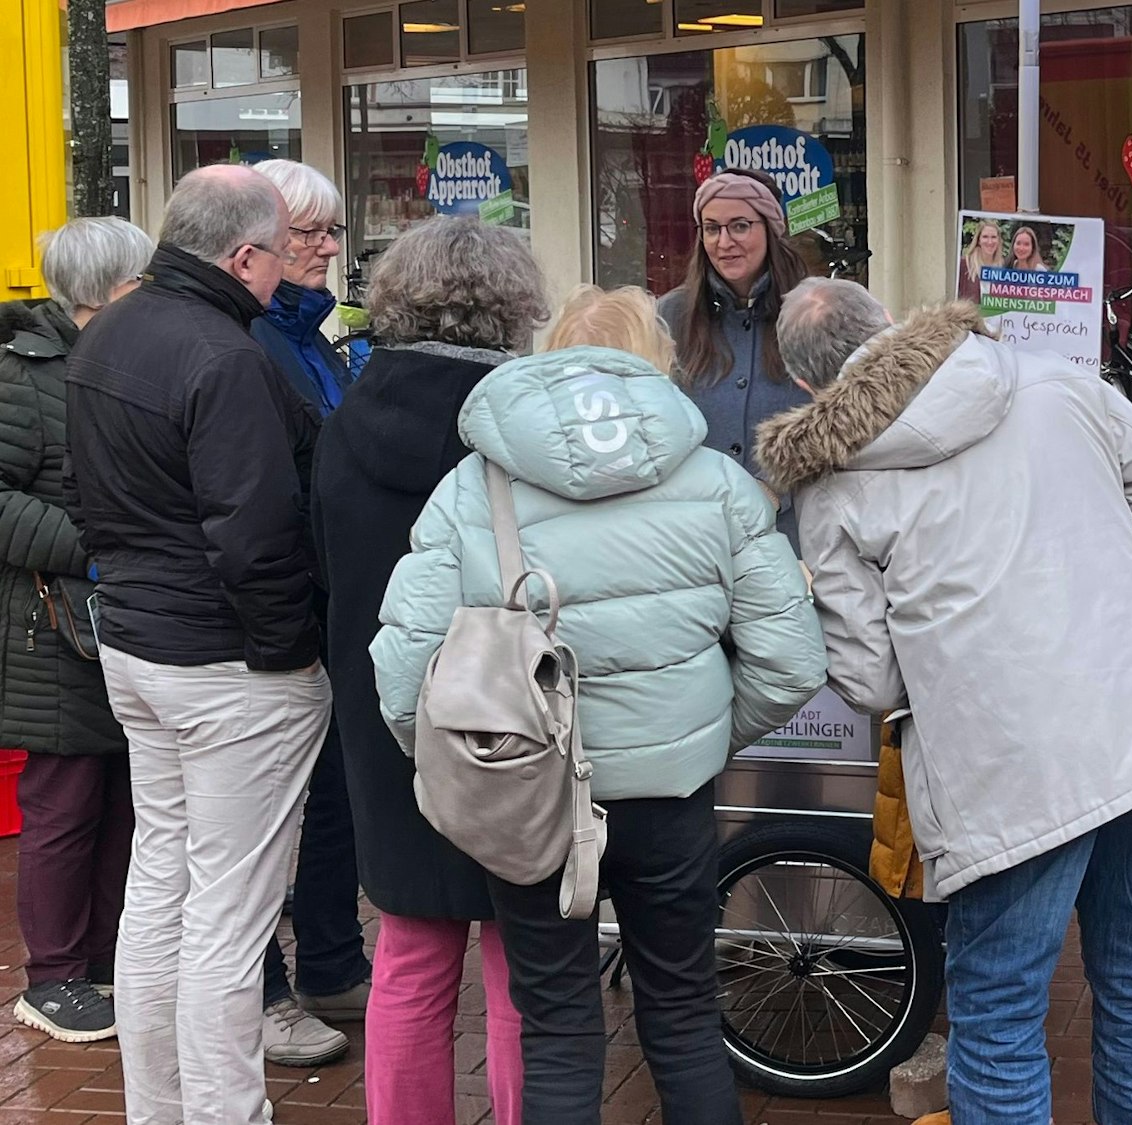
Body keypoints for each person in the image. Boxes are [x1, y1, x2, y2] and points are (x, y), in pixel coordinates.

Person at [755, 278, 1132, 1125]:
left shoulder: (830, 486)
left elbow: (868, 679)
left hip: (1004, 765)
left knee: (999, 1012)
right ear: (891, 325)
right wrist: (1080, 549)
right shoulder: (1044, 378)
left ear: (806, 386)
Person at [371, 291, 827, 1125]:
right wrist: (700, 742)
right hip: (671, 797)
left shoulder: (475, 487)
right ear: (656, 364)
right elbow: (792, 661)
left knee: (558, 1027)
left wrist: (466, 769)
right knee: (685, 1013)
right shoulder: (716, 480)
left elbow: (404, 671)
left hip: (530, 796)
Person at [64, 164, 330, 1125]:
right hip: (226, 665)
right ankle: (225, 1113)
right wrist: (292, 651)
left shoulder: (108, 334)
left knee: (161, 892)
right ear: (245, 254)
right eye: (277, 259)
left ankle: (159, 1109)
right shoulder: (224, 354)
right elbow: (255, 531)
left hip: (141, 646)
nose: (284, 279)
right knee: (227, 914)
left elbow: (92, 501)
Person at [311, 216, 543, 1125]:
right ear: (513, 304)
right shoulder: (523, 426)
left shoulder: (344, 419)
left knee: (408, 950)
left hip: (385, 709)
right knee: (523, 959)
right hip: (510, 707)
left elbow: (325, 565)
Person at [1, 216, 152, 1043]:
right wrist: (91, 549)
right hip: (51, 628)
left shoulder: (118, 359)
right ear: (109, 286)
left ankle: (99, 961)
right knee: (63, 804)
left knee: (122, 800)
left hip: (116, 621)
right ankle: (52, 977)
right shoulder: (24, 376)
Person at [246, 156, 370, 1069]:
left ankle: (331, 959)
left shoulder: (318, 332)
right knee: (260, 820)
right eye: (306, 233)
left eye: (331, 232)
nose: (325, 248)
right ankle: (266, 991)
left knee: (334, 800)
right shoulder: (248, 339)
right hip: (273, 613)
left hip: (329, 603)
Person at [655, 167, 811, 544]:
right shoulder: (669, 316)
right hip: (693, 539)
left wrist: (777, 490)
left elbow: (845, 418)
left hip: (797, 539)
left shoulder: (815, 312)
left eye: (739, 226)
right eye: (711, 228)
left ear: (770, 229)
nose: (724, 242)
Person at [959, 220, 1006, 301]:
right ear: (978, 240)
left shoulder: (1004, 267)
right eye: (985, 237)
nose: (990, 242)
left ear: (998, 241)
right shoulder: (964, 264)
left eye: (993, 237)